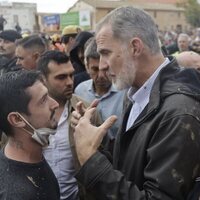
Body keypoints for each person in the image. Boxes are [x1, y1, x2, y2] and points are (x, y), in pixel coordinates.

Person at [71, 6, 200, 199]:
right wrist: (94, 135)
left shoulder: (178, 112)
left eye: (106, 53)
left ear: (135, 47)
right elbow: (130, 162)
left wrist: (91, 160)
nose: (103, 65)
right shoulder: (135, 92)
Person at [0, 70, 60, 199]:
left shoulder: (33, 157)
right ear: (17, 119)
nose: (55, 104)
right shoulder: (15, 194)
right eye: (43, 100)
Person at [37, 50, 80, 200]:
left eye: (71, 75)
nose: (69, 82)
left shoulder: (86, 111)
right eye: (61, 77)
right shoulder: (26, 113)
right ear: (42, 79)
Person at [75, 37, 126, 139]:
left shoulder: (126, 91)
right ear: (87, 67)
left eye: (105, 68)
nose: (101, 75)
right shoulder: (80, 91)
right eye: (95, 69)